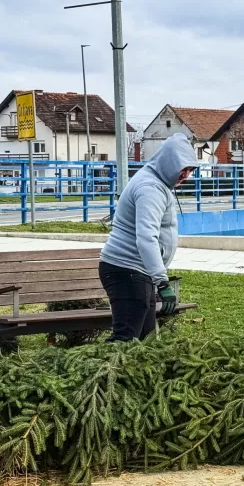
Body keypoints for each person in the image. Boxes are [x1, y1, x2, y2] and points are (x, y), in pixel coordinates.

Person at [99, 133, 198, 341]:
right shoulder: (150, 188)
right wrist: (162, 282)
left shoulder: (157, 182)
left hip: (138, 272)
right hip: (127, 270)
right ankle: (100, 370)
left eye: (189, 170)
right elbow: (146, 237)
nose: (185, 175)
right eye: (182, 169)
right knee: (126, 338)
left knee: (147, 338)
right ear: (169, 163)